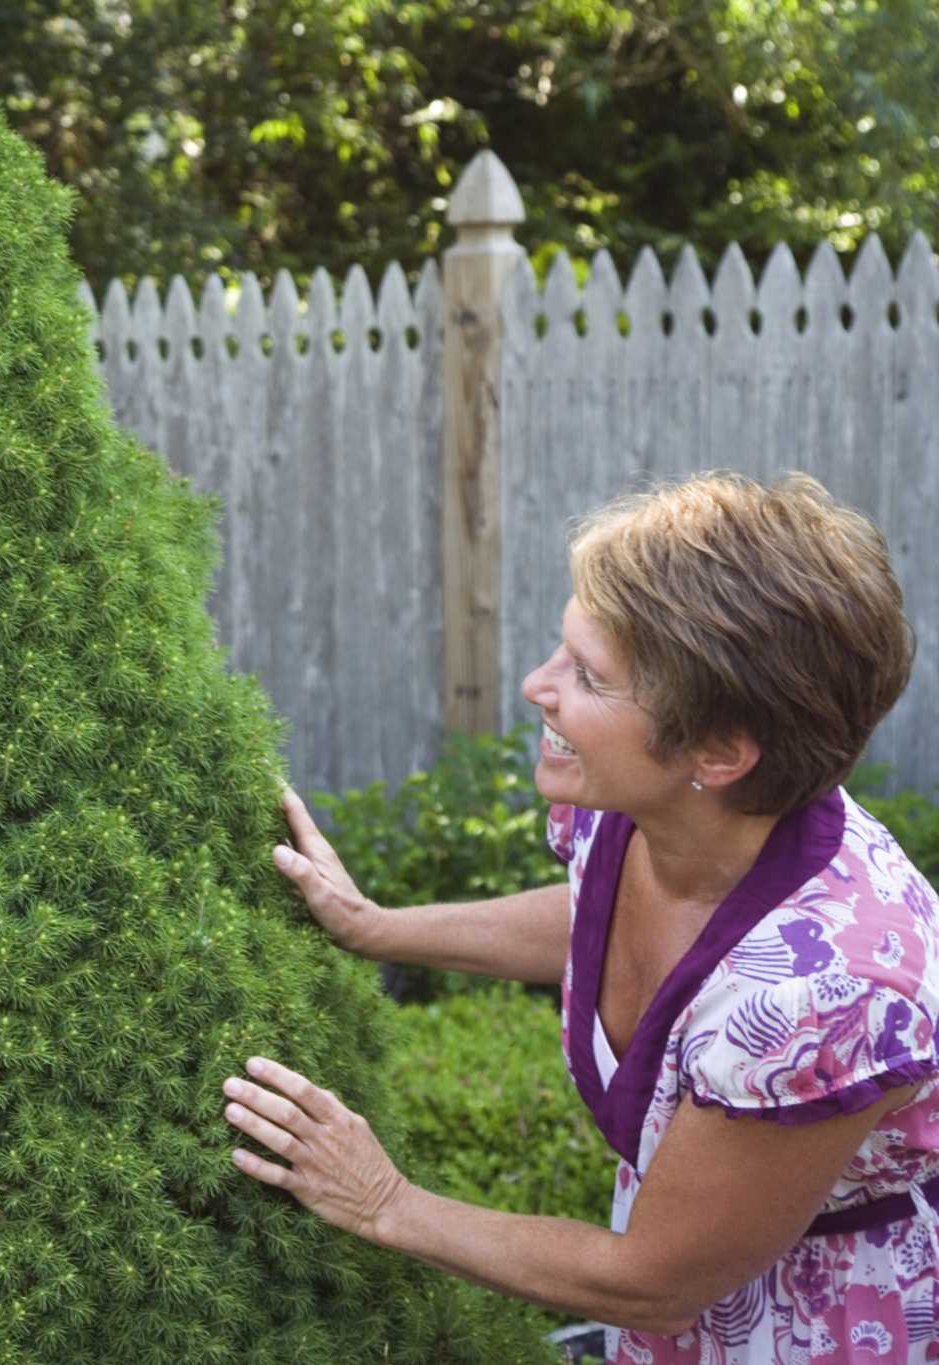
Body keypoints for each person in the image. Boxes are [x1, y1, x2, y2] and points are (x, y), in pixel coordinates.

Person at [224, 472, 937, 1361]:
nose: (535, 685)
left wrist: (386, 1202)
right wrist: (376, 925)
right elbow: (598, 918)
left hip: (810, 1328)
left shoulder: (829, 994)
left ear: (716, 752)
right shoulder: (638, 803)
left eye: (588, 678)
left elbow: (659, 1281)